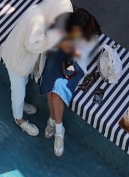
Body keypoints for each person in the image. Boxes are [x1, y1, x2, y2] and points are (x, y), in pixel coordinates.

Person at [0, 0, 71, 136]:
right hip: (16, 61)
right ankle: (19, 119)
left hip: (17, 56)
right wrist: (52, 39)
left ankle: (20, 105)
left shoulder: (39, 11)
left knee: (22, 84)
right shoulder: (38, 20)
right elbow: (31, 45)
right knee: (18, 91)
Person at [41, 9, 101, 156]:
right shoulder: (70, 26)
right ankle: (52, 120)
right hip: (61, 57)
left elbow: (74, 55)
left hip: (75, 64)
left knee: (57, 92)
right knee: (49, 89)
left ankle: (58, 130)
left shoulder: (90, 39)